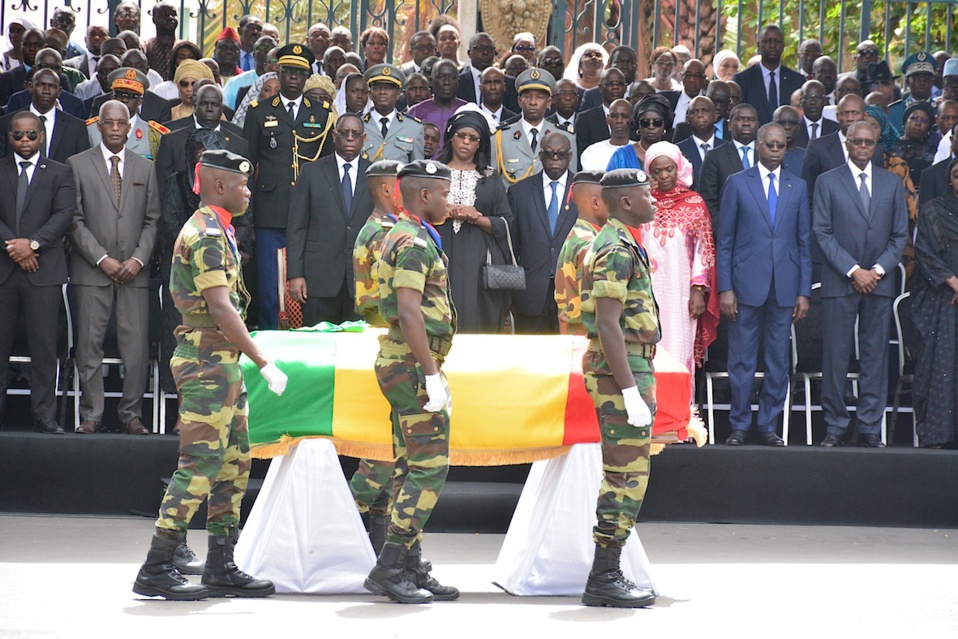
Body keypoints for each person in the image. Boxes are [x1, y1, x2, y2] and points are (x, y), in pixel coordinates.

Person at [133, 149, 284, 600]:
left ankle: (221, 562)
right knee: (200, 463)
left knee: (234, 462)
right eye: (242, 184)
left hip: (220, 362)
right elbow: (220, 306)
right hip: (206, 361)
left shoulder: (219, 229)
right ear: (220, 185)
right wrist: (262, 359)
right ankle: (157, 565)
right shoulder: (206, 234)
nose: (248, 191)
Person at [363, 159, 458, 604]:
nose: (448, 200)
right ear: (424, 195)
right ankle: (389, 566)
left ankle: (409, 565)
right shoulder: (414, 241)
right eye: (443, 193)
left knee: (407, 466)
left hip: (405, 361)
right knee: (428, 468)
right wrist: (431, 372)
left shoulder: (408, 234)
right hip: (411, 363)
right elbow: (408, 311)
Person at [577, 168, 658, 608]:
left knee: (629, 475)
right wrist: (628, 391)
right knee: (624, 476)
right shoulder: (614, 247)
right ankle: (604, 576)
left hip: (629, 367)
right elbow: (607, 323)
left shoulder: (621, 242)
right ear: (625, 201)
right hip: (620, 371)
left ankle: (608, 571)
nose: (654, 200)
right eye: (646, 194)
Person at [813, 121, 908, 448]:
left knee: (875, 356)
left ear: (877, 144)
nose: (864, 147)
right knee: (836, 356)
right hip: (842, 281)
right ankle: (836, 426)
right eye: (858, 142)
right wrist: (854, 270)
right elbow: (822, 233)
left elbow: (899, 236)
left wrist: (876, 271)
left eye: (869, 142)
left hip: (879, 284)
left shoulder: (892, 184)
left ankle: (869, 427)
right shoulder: (827, 182)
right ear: (848, 143)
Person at [68, 100, 160, 435]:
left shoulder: (145, 167)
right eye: (110, 123)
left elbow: (153, 221)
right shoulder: (77, 165)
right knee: (88, 346)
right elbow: (74, 221)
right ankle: (92, 414)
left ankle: (130, 414)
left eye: (123, 123)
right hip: (92, 271)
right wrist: (101, 258)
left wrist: (137, 259)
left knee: (135, 348)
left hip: (135, 272)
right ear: (98, 126)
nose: (117, 129)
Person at [717, 123, 812, 446]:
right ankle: (740, 424)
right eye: (770, 144)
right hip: (744, 286)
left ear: (786, 148)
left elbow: (803, 242)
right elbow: (725, 240)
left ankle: (768, 425)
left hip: (784, 286)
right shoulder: (737, 183)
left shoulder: (796, 186)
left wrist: (803, 290)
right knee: (741, 359)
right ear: (758, 146)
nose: (775, 150)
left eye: (780, 145)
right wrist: (725, 287)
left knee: (778, 360)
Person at [243, 43, 334, 330]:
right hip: (272, 213)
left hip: (311, 216)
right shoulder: (259, 112)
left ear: (307, 76)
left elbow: (328, 168)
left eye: (300, 72)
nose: (294, 77)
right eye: (288, 71)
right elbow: (247, 167)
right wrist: (248, 221)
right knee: (272, 292)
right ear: (278, 73)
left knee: (307, 289)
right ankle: (271, 351)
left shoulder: (321, 113)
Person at [0, 111, 76, 434]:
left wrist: (31, 245)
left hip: (43, 270)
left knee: (44, 347)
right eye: (18, 135)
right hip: (4, 270)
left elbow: (64, 215)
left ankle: (45, 415)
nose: (25, 141)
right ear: (9, 136)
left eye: (31, 135)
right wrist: (14, 248)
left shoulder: (60, 172)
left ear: (41, 136)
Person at [349, 160, 403, 551]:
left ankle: (379, 535)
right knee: (387, 446)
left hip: (387, 337)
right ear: (387, 190)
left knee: (389, 441)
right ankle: (344, 517)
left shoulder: (386, 230)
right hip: (389, 339)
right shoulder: (384, 236)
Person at [643, 142, 719, 393]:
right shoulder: (639, 204)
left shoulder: (694, 203)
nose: (663, 176)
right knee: (647, 355)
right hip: (644, 294)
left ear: (678, 169)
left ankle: (679, 424)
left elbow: (704, 248)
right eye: (657, 171)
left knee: (678, 351)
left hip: (681, 296)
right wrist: (642, 194)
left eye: (669, 169)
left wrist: (699, 289)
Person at [287, 113, 370, 326]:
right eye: (345, 133)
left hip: (362, 282)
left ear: (364, 138)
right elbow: (297, 227)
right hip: (319, 279)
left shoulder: (375, 176)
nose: (350, 138)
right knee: (315, 347)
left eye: (355, 134)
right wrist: (295, 274)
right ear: (334, 136)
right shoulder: (311, 172)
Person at [435, 110, 514, 333]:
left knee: (477, 315)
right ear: (451, 136)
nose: (466, 142)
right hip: (440, 251)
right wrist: (446, 210)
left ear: (480, 144)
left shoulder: (490, 178)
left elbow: (506, 222)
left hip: (479, 257)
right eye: (461, 135)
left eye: (473, 138)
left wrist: (476, 217)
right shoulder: (434, 173)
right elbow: (418, 213)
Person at [912, 158, 958, 447]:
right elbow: (925, 253)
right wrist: (953, 281)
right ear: (949, 179)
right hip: (943, 300)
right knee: (942, 363)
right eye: (956, 174)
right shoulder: (934, 210)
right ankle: (939, 435)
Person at [492, 68, 577, 188]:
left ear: (549, 102)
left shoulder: (566, 137)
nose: (533, 102)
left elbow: (570, 184)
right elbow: (494, 185)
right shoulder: (500, 137)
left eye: (539, 97)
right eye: (527, 97)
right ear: (519, 101)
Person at [555, 170, 607, 334]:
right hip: (586, 336)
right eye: (611, 200)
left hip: (576, 333)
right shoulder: (590, 244)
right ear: (596, 203)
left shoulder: (579, 235)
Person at [0, 68, 90, 163]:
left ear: (59, 91)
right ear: (30, 87)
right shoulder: (6, 124)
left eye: (52, 86)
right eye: (41, 85)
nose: (46, 91)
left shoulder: (77, 127)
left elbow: (82, 165)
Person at [87, 68, 171, 160]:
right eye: (119, 94)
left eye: (131, 96)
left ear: (140, 101)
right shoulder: (91, 129)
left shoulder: (153, 135)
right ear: (112, 97)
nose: (124, 100)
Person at [733, 25, 806, 125]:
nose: (772, 45)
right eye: (767, 41)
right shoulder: (743, 79)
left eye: (777, 42)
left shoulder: (797, 80)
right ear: (759, 45)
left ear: (783, 46)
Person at [699, 103, 758, 221]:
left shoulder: (766, 155)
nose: (746, 123)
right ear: (730, 125)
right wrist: (724, 230)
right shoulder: (715, 157)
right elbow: (708, 201)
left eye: (751, 119)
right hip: (728, 231)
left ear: (758, 125)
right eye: (740, 119)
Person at [362, 64, 425, 163]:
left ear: (398, 94)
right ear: (370, 94)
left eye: (388, 88)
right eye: (377, 88)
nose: (382, 92)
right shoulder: (358, 124)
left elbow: (417, 169)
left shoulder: (414, 127)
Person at [407, 60, 467, 149]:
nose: (447, 82)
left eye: (452, 77)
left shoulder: (468, 110)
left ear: (458, 81)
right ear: (431, 80)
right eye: (442, 77)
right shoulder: (415, 112)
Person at [607, 94, 672, 170]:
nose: (651, 127)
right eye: (645, 122)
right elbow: (609, 181)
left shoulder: (673, 153)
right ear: (638, 125)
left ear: (665, 125)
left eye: (657, 122)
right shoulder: (621, 155)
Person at [676, 96, 726, 188]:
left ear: (715, 116)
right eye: (694, 112)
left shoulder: (727, 148)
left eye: (705, 110)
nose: (700, 115)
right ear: (687, 119)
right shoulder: (678, 151)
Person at [575, 68, 627, 157]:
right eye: (610, 84)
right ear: (600, 88)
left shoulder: (634, 117)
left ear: (625, 88)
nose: (615, 87)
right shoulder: (585, 119)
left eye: (619, 84)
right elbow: (581, 154)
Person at [891, 101, 938, 184]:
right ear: (905, 122)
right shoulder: (891, 147)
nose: (918, 123)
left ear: (928, 127)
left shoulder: (933, 152)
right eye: (913, 118)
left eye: (924, 120)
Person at [580, 98, 631, 171]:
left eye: (624, 116)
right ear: (608, 119)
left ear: (632, 119)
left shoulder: (640, 151)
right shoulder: (592, 152)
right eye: (614, 116)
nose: (619, 121)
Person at [796, 80, 839, 147]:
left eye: (818, 97)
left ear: (825, 101)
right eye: (808, 98)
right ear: (801, 101)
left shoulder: (836, 129)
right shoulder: (794, 128)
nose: (813, 102)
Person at [143, 3, 177, 82]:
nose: (170, 17)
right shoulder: (146, 46)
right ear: (154, 19)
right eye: (164, 15)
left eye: (173, 14)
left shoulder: (184, 48)